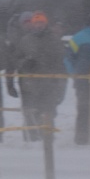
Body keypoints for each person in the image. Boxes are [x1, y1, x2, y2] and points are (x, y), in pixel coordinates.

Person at [9, 11, 68, 140]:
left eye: (41, 22)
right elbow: (16, 60)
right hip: (30, 86)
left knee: (48, 113)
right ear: (33, 24)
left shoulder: (54, 40)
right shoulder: (25, 40)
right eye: (36, 23)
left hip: (49, 85)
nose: (39, 25)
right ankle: (31, 139)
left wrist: (60, 86)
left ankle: (47, 140)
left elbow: (61, 63)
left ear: (45, 23)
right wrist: (25, 63)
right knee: (31, 113)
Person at [65, 13, 90, 145]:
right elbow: (68, 58)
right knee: (83, 108)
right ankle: (81, 136)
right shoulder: (79, 37)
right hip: (83, 79)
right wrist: (75, 74)